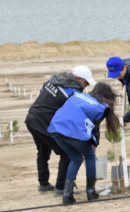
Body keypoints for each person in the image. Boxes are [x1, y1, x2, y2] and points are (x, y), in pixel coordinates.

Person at [25, 65, 97, 196]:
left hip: (31, 118)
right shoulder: (71, 93)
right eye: (86, 82)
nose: (86, 85)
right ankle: (61, 187)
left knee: (43, 151)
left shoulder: (55, 80)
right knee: (67, 152)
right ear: (78, 78)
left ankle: (44, 183)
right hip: (44, 123)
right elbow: (72, 115)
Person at [47, 82, 121, 205]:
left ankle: (67, 195)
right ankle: (91, 192)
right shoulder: (101, 106)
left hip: (56, 130)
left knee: (75, 159)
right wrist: (94, 143)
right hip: (74, 132)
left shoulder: (77, 95)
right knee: (90, 156)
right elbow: (95, 129)